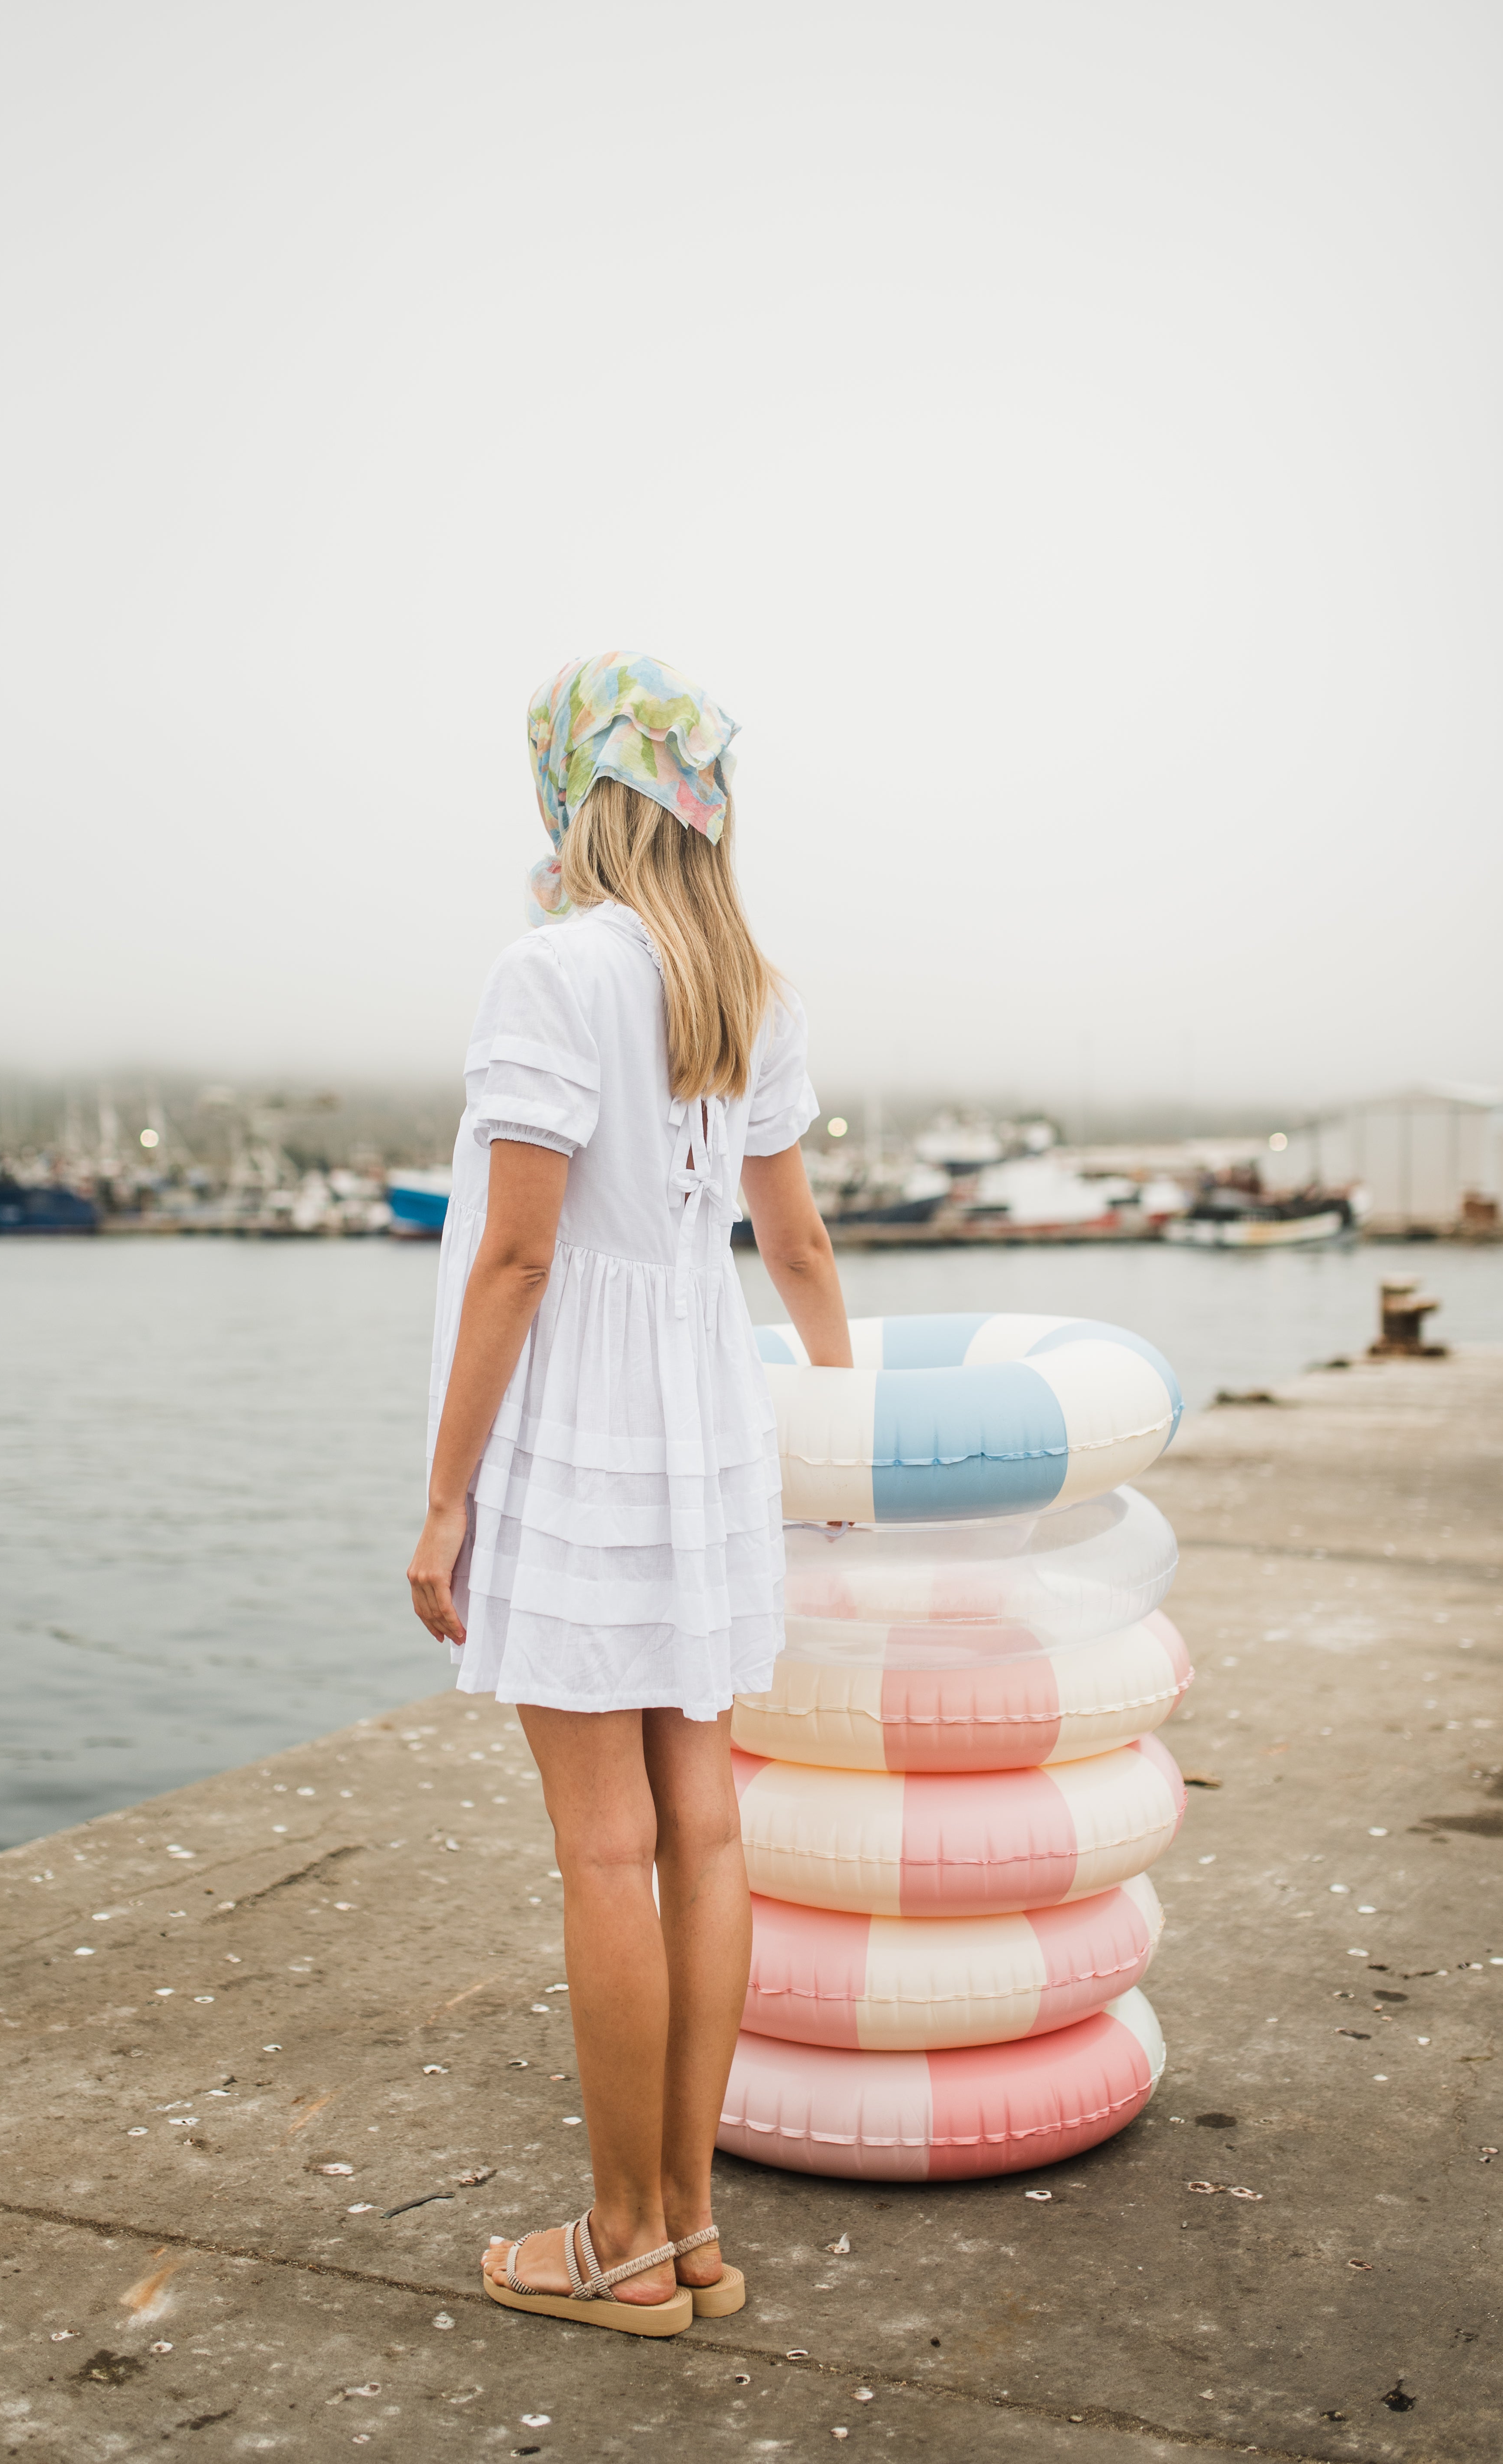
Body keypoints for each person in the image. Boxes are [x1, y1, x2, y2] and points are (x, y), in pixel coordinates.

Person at [407, 652, 850, 2335]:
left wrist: (442, 1500)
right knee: (704, 1826)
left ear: (569, 793)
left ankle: (618, 2239)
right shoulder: (746, 989)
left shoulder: (548, 973)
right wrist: (844, 1403)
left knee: (604, 1850)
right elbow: (793, 1242)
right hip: (705, 1420)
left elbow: (515, 1258)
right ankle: (693, 2233)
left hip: (578, 1433)